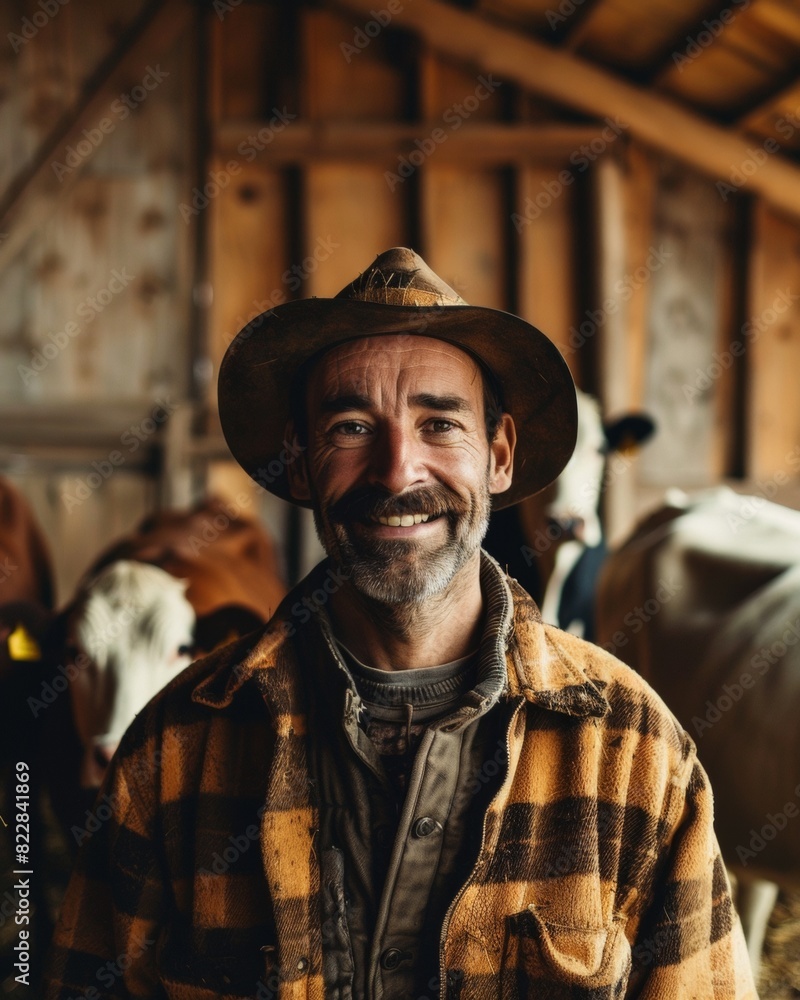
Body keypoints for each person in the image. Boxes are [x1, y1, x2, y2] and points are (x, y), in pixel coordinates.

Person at [44, 248, 756, 999]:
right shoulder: (175, 748)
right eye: (351, 427)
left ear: (500, 457)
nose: (396, 471)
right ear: (299, 462)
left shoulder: (636, 752)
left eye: (440, 424)